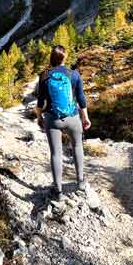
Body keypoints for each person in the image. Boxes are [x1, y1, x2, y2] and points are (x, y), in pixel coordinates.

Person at [35, 45, 91, 199]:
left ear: (51, 58)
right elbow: (81, 99)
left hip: (53, 119)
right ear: (64, 58)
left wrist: (40, 118)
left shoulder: (44, 76)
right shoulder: (74, 74)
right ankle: (80, 182)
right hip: (73, 118)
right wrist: (85, 118)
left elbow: (40, 102)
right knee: (77, 146)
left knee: (56, 153)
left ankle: (58, 190)